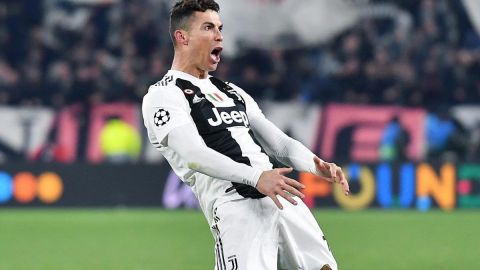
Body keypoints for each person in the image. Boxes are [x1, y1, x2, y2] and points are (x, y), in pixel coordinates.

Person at [142, 1, 350, 269]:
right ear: (182, 37)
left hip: (280, 194)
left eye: (220, 28)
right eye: (208, 28)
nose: (219, 36)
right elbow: (193, 155)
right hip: (235, 205)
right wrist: (256, 178)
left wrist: (314, 164)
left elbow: (278, 143)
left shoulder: (231, 91)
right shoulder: (163, 95)